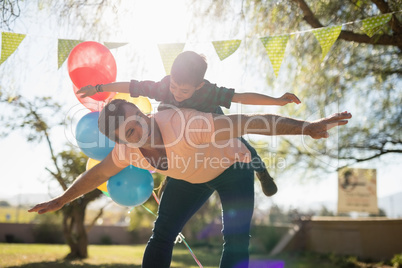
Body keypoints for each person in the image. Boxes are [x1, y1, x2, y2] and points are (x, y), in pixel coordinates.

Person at [29, 99, 351, 267]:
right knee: (162, 235)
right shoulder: (127, 151)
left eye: (136, 121)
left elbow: (250, 123)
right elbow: (98, 174)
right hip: (186, 179)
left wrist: (306, 127)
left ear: (142, 113)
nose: (137, 131)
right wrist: (62, 199)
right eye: (127, 134)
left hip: (231, 167)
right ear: (119, 140)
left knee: (236, 237)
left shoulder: (188, 125)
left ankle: (261, 171)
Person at [77, 51, 301, 197]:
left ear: (199, 85)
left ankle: (261, 171)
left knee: (240, 142)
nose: (177, 92)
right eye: (174, 86)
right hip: (174, 123)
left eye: (184, 90)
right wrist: (99, 88)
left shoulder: (210, 92)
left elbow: (242, 97)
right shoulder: (164, 87)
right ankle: (168, 176)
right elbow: (132, 86)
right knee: (165, 139)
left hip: (205, 121)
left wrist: (277, 101)